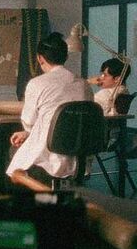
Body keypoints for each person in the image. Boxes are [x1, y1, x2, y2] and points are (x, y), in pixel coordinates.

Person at [6, 32, 93, 185]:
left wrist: (28, 132)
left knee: (13, 152)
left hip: (48, 159)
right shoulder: (83, 84)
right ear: (66, 57)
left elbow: (29, 122)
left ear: (40, 58)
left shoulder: (37, 84)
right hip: (78, 159)